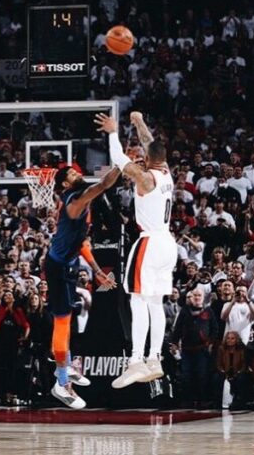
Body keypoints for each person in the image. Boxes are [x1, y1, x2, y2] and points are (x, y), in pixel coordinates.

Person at [97, 111, 178, 388]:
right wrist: (139, 121)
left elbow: (118, 159)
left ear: (147, 159)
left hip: (150, 242)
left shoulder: (146, 179)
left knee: (137, 300)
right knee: (155, 302)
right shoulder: (165, 172)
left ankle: (135, 362)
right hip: (168, 243)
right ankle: (154, 359)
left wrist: (112, 131)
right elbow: (149, 142)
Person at [43, 160, 120, 408]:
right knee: (62, 322)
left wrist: (96, 271)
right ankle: (61, 383)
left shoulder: (83, 204)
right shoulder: (74, 201)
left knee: (68, 321)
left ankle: (66, 367)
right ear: (65, 184)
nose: (77, 174)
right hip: (58, 267)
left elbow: (82, 243)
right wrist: (122, 163)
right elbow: (103, 184)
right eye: (72, 174)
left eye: (76, 171)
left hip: (70, 264)